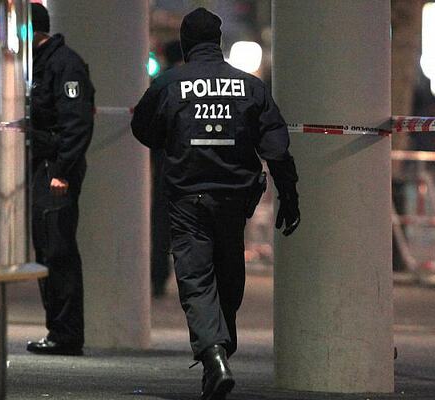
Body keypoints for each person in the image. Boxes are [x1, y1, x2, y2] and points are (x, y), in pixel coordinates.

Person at [131, 8, 300, 400]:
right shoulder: (250, 87)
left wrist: (172, 142)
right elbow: (276, 144)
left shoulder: (169, 83)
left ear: (188, 44)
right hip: (234, 200)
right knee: (228, 278)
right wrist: (289, 195)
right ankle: (220, 350)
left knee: (196, 279)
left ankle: (215, 355)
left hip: (188, 198)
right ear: (219, 42)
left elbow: (143, 128)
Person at [26, 3, 95, 356]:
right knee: (46, 248)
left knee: (59, 249)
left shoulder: (64, 65)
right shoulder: (38, 63)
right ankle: (57, 328)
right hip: (43, 167)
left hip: (55, 169)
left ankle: (66, 333)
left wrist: (63, 171)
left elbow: (76, 123)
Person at [151, 40, 184, 298]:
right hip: (197, 166)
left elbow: (144, 123)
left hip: (166, 165)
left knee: (162, 225)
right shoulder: (200, 82)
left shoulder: (162, 83)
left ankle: (158, 278)